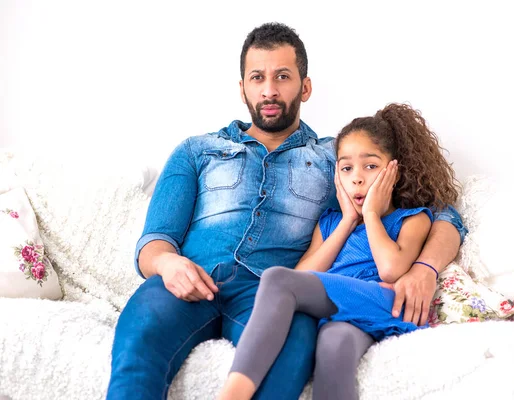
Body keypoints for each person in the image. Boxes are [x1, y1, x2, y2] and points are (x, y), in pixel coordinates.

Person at [106, 22, 466, 400]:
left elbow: (443, 211)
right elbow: (154, 241)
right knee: (139, 343)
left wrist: (425, 268)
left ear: (305, 87)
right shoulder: (196, 151)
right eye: (257, 77)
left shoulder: (336, 158)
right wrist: (168, 265)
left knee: (290, 356)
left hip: (273, 294)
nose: (269, 90)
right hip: (187, 282)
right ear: (242, 87)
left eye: (282, 76)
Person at [218, 103, 460, 400]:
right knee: (334, 344)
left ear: (393, 172)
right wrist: (347, 221)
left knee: (276, 278)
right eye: (347, 168)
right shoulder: (330, 223)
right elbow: (303, 276)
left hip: (382, 300)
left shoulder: (411, 218)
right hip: (340, 314)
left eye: (370, 166)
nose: (357, 177)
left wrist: (371, 214)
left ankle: (233, 395)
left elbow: (390, 270)